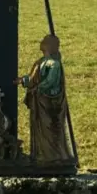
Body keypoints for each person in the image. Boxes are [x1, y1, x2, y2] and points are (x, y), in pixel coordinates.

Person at [16, 34, 75, 165]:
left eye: (44, 41)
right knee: (40, 129)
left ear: (49, 46)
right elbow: (32, 79)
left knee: (49, 129)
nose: (41, 42)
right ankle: (41, 155)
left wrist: (36, 88)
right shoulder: (41, 61)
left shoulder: (54, 64)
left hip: (48, 103)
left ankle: (53, 157)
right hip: (40, 101)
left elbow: (50, 82)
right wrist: (22, 81)